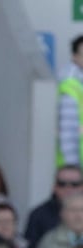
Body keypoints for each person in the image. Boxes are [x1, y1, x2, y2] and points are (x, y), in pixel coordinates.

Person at [24, 164, 83, 248]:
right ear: (54, 186)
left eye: (74, 184)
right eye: (62, 184)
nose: (68, 188)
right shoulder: (38, 215)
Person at [56, 35, 83, 168]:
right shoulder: (70, 83)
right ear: (74, 56)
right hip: (75, 168)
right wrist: (72, 170)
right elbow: (68, 132)